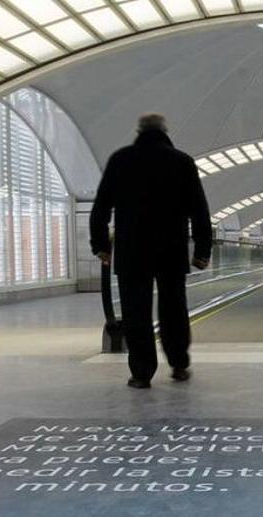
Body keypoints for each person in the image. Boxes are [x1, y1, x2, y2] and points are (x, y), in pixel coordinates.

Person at [90, 113, 211, 389]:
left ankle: (141, 372)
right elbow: (199, 210)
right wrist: (201, 250)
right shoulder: (182, 162)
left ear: (139, 131)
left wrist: (100, 245)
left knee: (136, 312)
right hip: (171, 249)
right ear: (164, 132)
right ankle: (179, 363)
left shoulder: (120, 160)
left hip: (131, 250)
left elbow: (101, 207)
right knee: (173, 309)